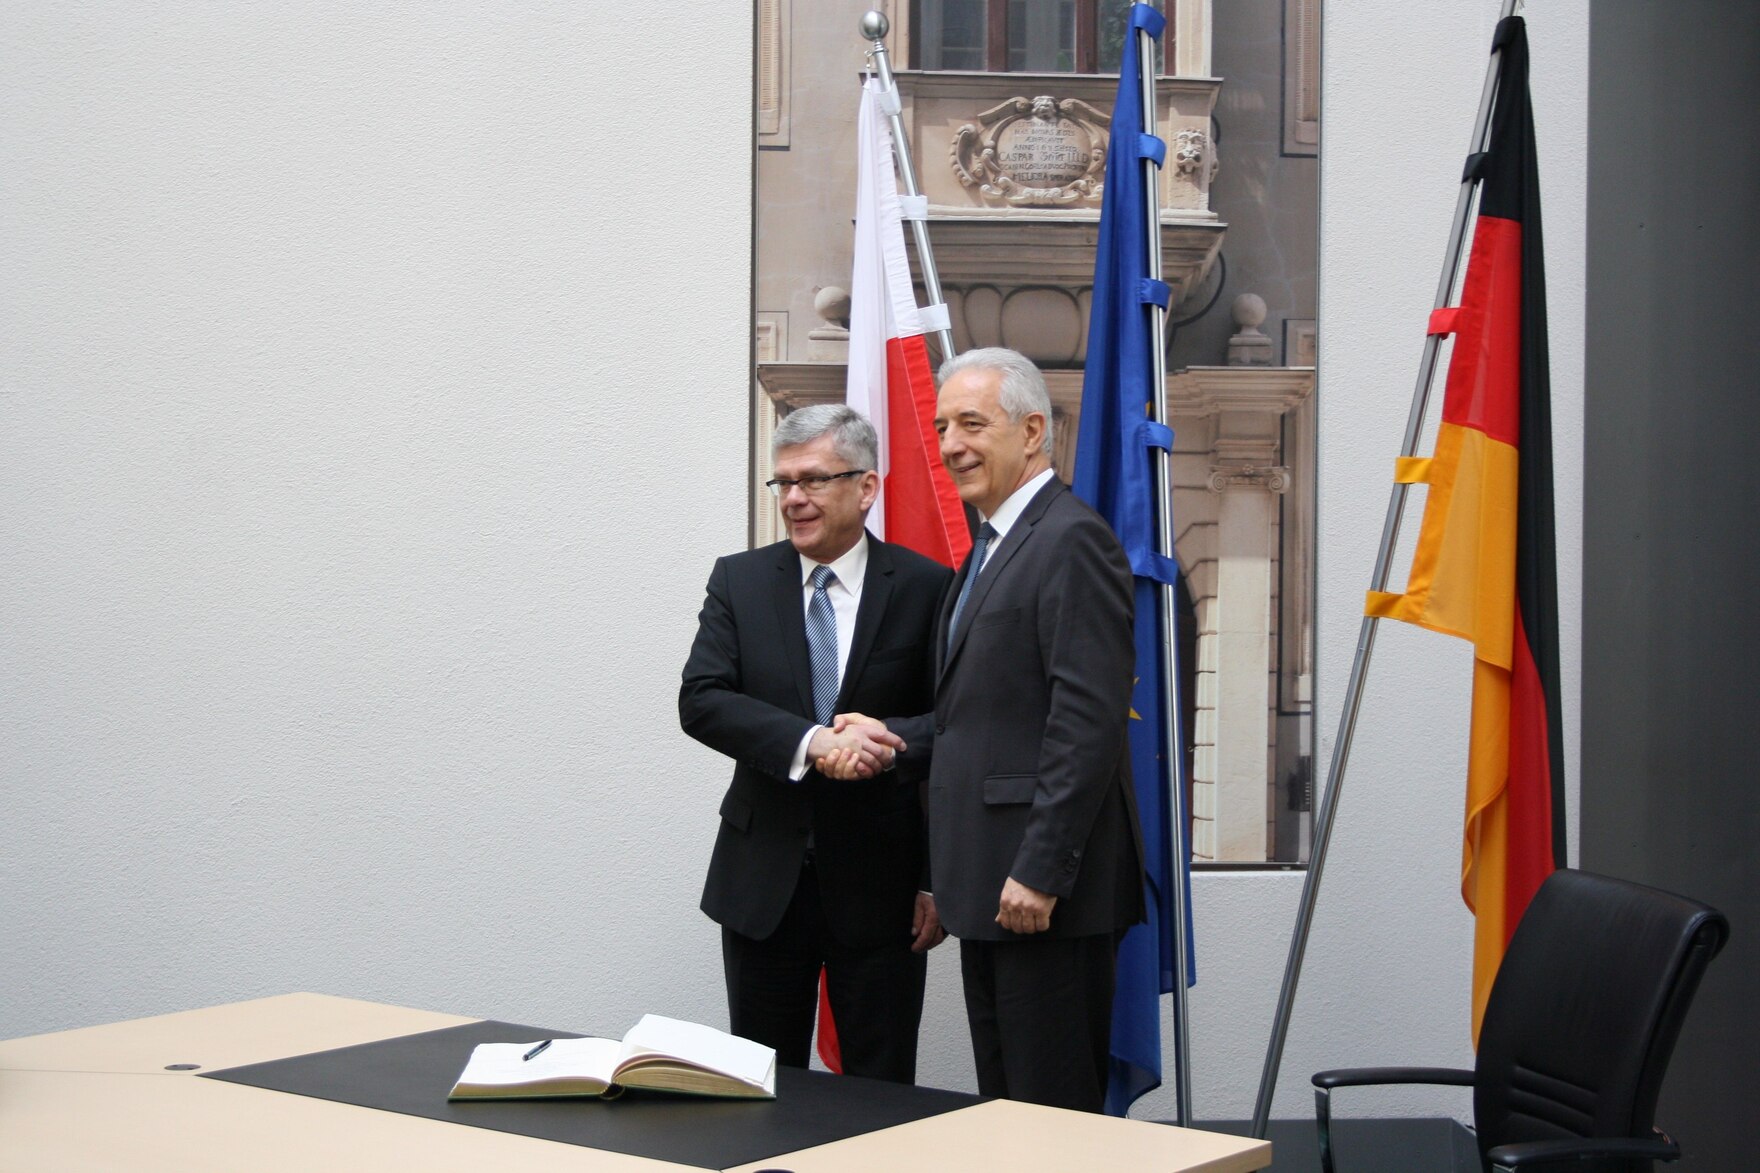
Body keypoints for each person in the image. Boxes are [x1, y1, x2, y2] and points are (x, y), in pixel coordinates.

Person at [824, 348, 1145, 1112]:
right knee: (1008, 1115)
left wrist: (1041, 870)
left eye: (972, 423)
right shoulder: (990, 550)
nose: (951, 444)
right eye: (941, 427)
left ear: (1033, 430)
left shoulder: (1071, 539)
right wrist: (894, 734)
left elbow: (1086, 720)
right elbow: (984, 716)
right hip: (991, 891)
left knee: (1052, 1123)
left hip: (1041, 895)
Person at [679, 404, 950, 1085]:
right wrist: (811, 742)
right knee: (761, 1088)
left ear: (866, 487)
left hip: (884, 886)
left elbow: (949, 728)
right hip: (763, 880)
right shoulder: (739, 581)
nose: (794, 498)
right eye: (783, 483)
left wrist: (933, 878)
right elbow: (702, 699)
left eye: (813, 480)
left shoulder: (924, 587)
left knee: (880, 1092)